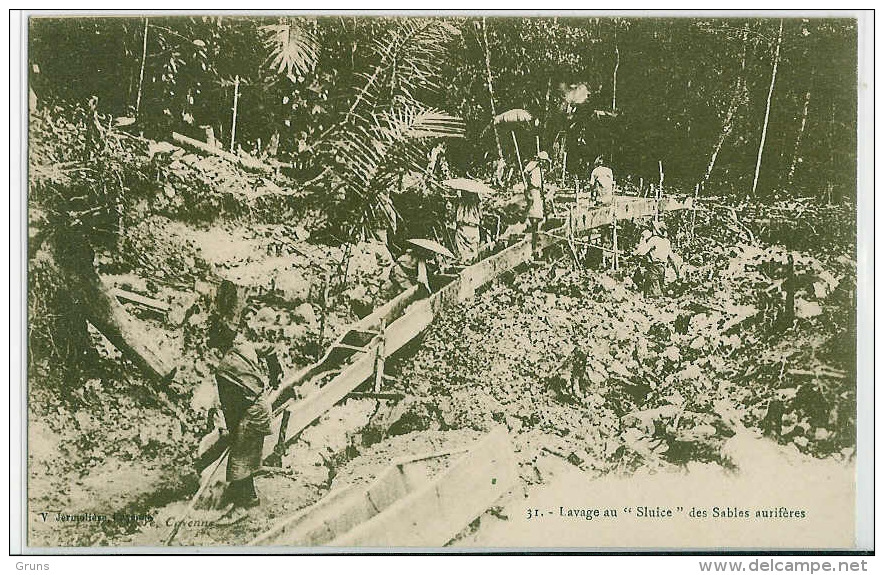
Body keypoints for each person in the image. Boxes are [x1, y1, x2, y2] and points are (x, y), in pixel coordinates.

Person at [632, 221, 683, 297]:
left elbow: (642, 252)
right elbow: (672, 259)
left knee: (652, 294)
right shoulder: (667, 242)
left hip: (654, 269)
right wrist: (678, 273)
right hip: (662, 269)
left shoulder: (654, 239)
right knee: (659, 289)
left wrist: (643, 239)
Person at [523, 151, 550, 260]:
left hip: (537, 191)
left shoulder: (539, 168)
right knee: (534, 212)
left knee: (539, 214)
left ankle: (536, 232)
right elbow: (525, 172)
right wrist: (529, 183)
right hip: (533, 190)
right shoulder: (533, 165)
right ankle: (533, 232)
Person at [454, 190, 482, 263]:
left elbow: (457, 216)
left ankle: (466, 259)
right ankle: (469, 259)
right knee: (471, 245)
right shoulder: (475, 204)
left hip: (466, 227)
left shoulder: (461, 203)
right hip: (470, 228)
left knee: (464, 245)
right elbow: (480, 216)